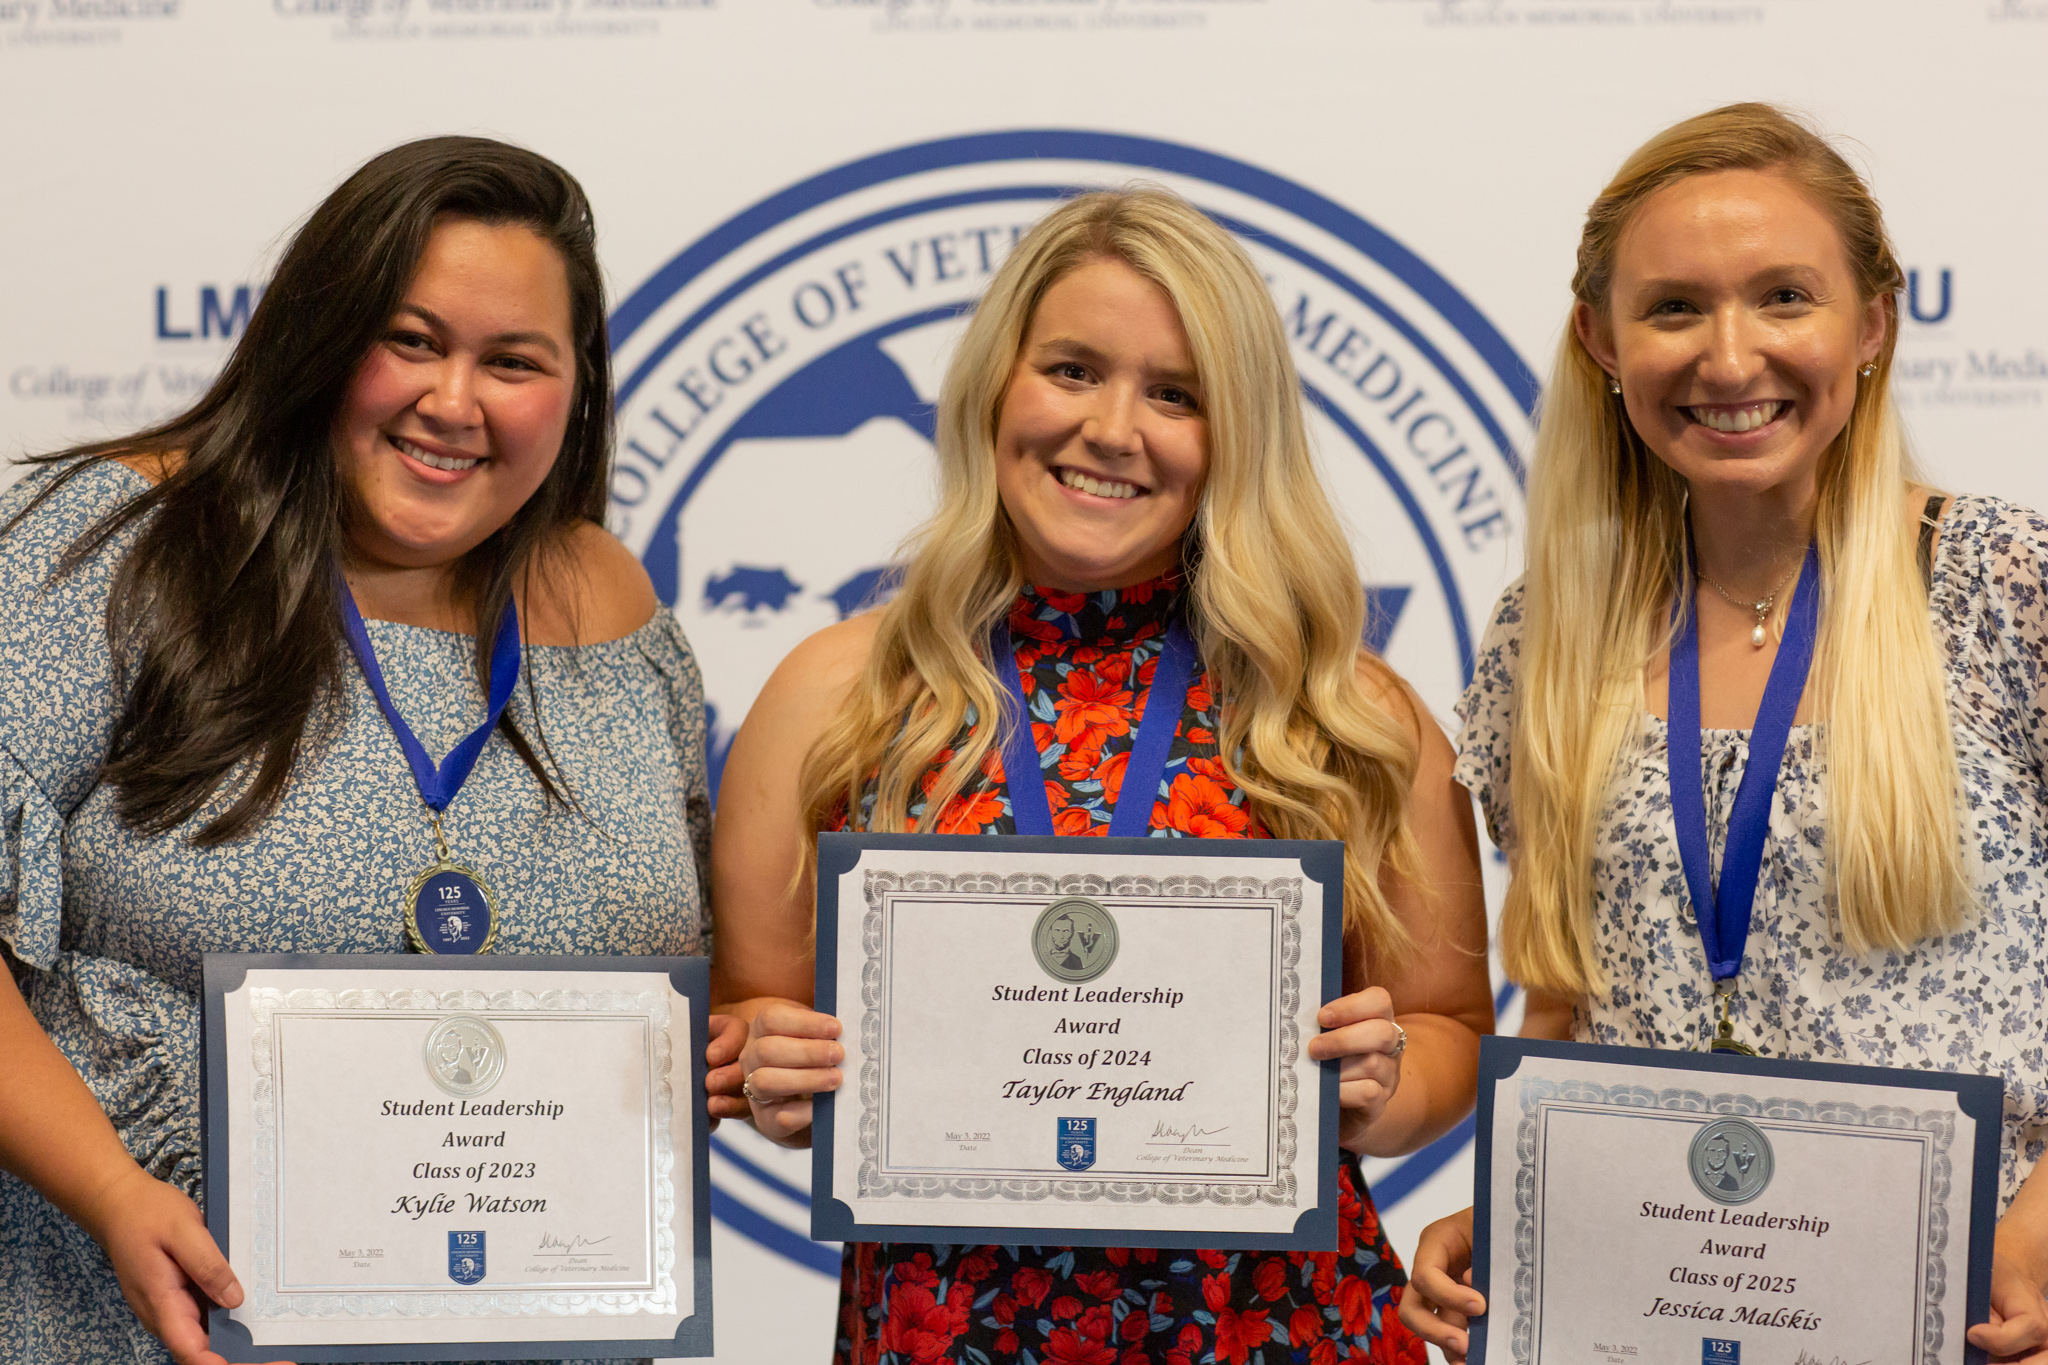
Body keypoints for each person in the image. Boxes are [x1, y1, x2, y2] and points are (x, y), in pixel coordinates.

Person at [707, 186, 1496, 1363]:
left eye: (1173, 394)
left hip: (1276, 1333)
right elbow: (748, 1020)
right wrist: (772, 1069)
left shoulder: (1344, 712)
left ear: (1233, 433)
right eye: (1072, 370)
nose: (1113, 428)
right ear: (992, 386)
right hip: (945, 1333)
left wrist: (1387, 1086)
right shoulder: (837, 695)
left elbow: (1450, 1027)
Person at [0, 136, 739, 1365]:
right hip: (136, 1326)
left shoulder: (609, 607)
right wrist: (115, 1195)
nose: (454, 402)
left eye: (513, 361)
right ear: (318, 336)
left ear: (577, 391)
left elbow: (671, 988)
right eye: (410, 340)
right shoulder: (116, 551)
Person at [1396, 103, 2048, 1361]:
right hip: (1653, 1319)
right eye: (1675, 307)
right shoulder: (1549, 633)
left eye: (1784, 297)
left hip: (1976, 1316)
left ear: (1871, 324)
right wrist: (1520, 1205)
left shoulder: (2002, 582)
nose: (1730, 355)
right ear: (1599, 338)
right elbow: (1568, 1001)